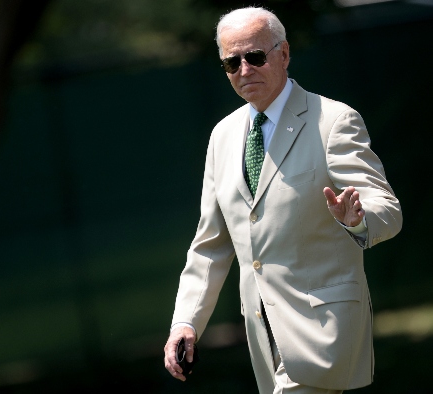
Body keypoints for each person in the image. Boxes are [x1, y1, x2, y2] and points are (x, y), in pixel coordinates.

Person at [163, 6, 402, 394]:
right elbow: (211, 245)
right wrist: (185, 322)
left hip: (323, 332)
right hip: (263, 337)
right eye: (231, 62)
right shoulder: (222, 137)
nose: (244, 70)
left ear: (284, 54)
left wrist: (356, 220)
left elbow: (387, 209)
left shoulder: (334, 121)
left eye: (255, 57)